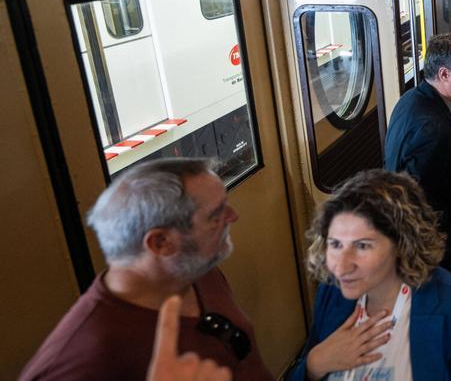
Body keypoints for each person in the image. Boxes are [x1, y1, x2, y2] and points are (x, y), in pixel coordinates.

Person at [20, 158, 272, 381]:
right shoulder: (78, 361)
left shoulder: (197, 270)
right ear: (161, 243)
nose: (233, 216)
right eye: (216, 216)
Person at [288, 170, 451, 381]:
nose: (341, 267)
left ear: (401, 245)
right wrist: (315, 364)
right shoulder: (332, 291)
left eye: (362, 246)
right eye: (335, 244)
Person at [384, 34, 451, 289]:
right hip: (438, 256)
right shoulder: (432, 128)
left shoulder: (413, 100)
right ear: (444, 74)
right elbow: (425, 205)